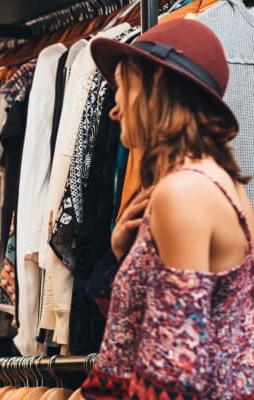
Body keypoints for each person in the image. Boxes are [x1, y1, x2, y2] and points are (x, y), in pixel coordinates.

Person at [80, 19, 254, 399]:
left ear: (153, 88)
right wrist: (124, 253)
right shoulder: (222, 183)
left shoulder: (184, 192)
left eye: (122, 89)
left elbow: (175, 372)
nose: (114, 109)